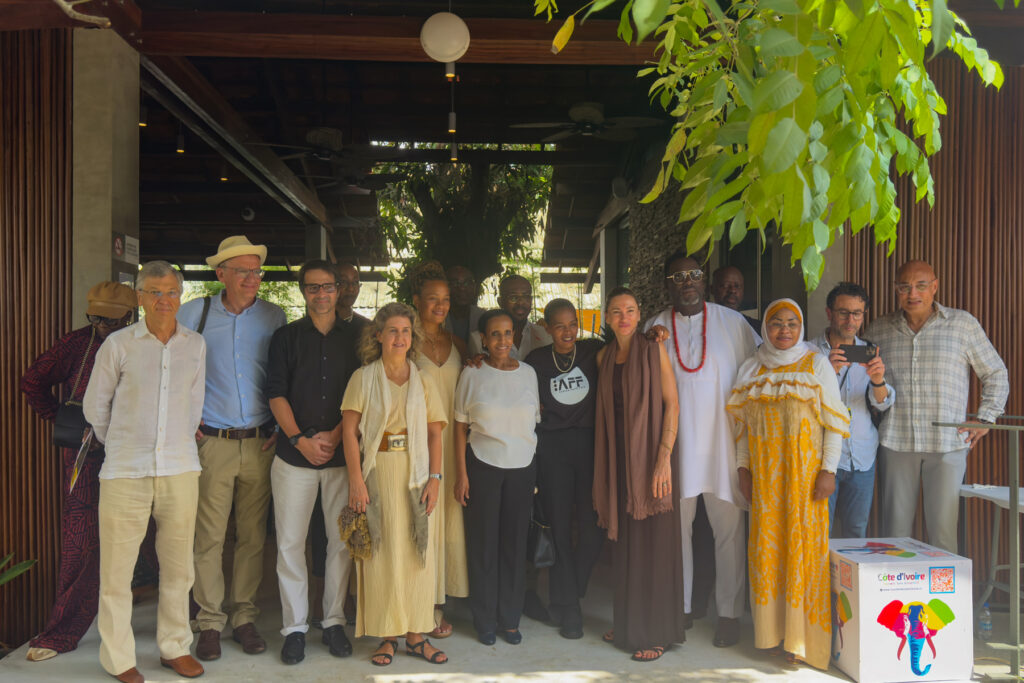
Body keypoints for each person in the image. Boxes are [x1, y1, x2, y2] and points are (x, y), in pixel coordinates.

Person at [83, 261, 207, 683]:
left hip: (179, 469)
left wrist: (173, 445)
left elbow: (194, 407)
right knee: (117, 571)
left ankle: (175, 647)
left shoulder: (195, 344)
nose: (164, 300)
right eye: (155, 292)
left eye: (171, 292)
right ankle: (118, 658)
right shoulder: (118, 344)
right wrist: (121, 444)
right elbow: (94, 408)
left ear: (180, 296)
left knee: (178, 568)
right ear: (139, 297)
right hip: (125, 472)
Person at [177, 236, 286, 661]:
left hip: (261, 442)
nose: (251, 279)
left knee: (253, 536)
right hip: (214, 443)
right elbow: (175, 369)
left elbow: (282, 375)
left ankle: (243, 617)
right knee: (209, 537)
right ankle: (208, 621)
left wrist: (280, 425)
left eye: (255, 271)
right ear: (221, 274)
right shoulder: (194, 313)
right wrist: (187, 424)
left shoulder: (274, 317)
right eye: (241, 271)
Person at [726, 299, 850, 669]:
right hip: (765, 483)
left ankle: (800, 641)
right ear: (765, 327)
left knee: (803, 555)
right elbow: (743, 430)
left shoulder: (816, 365)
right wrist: (743, 469)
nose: (784, 330)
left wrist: (829, 470)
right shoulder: (751, 367)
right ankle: (770, 635)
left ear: (801, 328)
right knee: (769, 554)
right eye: (777, 323)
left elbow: (834, 422)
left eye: (792, 323)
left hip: (806, 481)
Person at [646, 253, 758, 648]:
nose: (687, 281)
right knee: (676, 532)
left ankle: (728, 613)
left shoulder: (734, 323)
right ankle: (682, 606)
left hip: (725, 446)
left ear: (703, 280)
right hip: (675, 449)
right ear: (667, 284)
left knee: (729, 532)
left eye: (693, 274)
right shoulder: (655, 326)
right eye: (678, 276)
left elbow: (765, 367)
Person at [20, 281, 136, 662]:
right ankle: (63, 632)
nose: (101, 324)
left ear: (131, 315)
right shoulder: (76, 344)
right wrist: (60, 419)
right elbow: (32, 381)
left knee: (156, 534)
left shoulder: (146, 342)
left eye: (109, 318)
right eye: (95, 316)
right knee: (80, 540)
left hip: (138, 455)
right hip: (86, 458)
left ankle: (187, 620)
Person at [865, 260, 1008, 552]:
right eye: (904, 287)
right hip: (896, 441)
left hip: (947, 445)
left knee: (943, 533)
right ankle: (897, 596)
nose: (912, 293)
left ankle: (945, 597)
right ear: (896, 290)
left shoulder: (962, 324)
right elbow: (865, 385)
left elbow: (995, 373)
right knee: (894, 533)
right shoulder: (879, 330)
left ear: (935, 286)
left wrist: (986, 418)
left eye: (920, 285)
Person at [341, 303, 449, 667]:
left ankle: (417, 635)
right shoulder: (363, 377)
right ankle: (388, 636)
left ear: (412, 337)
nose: (399, 338)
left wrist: (435, 478)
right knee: (383, 554)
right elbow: (349, 432)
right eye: (392, 331)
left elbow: (435, 434)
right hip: (377, 470)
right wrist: (356, 480)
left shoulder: (424, 379)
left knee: (417, 555)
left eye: (406, 331)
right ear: (378, 335)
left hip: (416, 472)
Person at [266, 260, 360, 664]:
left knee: (339, 544)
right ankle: (295, 628)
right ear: (303, 291)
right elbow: (275, 393)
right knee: (290, 544)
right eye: (312, 288)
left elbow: (361, 395)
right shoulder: (285, 337)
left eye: (327, 287)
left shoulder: (358, 337)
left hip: (341, 457)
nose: (320, 294)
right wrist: (299, 440)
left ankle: (334, 622)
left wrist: (336, 435)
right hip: (293, 457)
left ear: (339, 289)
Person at [593, 287, 685, 662]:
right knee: (627, 543)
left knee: (654, 543)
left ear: (640, 313)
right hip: (619, 460)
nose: (624, 317)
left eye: (630, 310)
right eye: (616, 311)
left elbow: (672, 403)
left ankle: (656, 631)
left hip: (651, 457)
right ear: (607, 318)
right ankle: (631, 621)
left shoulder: (653, 349)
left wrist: (664, 457)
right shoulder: (603, 356)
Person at [454, 309, 541, 646]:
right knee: (483, 547)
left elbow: (534, 420)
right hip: (482, 465)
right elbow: (460, 427)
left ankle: (510, 620)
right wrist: (461, 475)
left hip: (522, 468)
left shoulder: (529, 374)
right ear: (483, 340)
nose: (503, 340)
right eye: (495, 334)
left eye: (508, 334)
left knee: (514, 547)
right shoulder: (472, 374)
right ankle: (485, 620)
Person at [524, 299, 604, 640]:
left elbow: (630, 350)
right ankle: (569, 609)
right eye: (560, 325)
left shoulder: (594, 351)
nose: (568, 331)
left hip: (588, 447)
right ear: (546, 327)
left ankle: (573, 588)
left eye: (573, 323)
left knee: (593, 527)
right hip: (552, 450)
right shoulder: (536, 361)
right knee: (557, 529)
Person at [409, 262, 469, 639]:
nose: (440, 305)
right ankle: (419, 604)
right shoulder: (404, 339)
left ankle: (438, 601)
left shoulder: (457, 342)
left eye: (445, 300)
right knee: (421, 523)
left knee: (448, 522)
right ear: (416, 301)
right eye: (432, 299)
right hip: (418, 447)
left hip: (453, 445)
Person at [810, 282, 895, 538]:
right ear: (829, 313)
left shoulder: (869, 351)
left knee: (856, 532)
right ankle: (820, 581)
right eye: (843, 312)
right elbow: (802, 404)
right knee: (818, 532)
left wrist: (878, 380)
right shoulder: (809, 352)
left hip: (862, 456)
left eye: (857, 313)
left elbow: (882, 403)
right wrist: (828, 372)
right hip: (821, 459)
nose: (851, 320)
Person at [468, 274, 551, 359]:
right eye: (513, 298)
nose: (520, 303)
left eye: (526, 297)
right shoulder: (478, 340)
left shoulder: (544, 335)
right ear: (500, 302)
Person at [711, 265, 760, 332]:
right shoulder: (700, 326)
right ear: (712, 289)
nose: (732, 290)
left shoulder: (756, 328)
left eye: (737, 286)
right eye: (725, 285)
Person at [444, 265, 484, 346]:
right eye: (455, 283)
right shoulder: (437, 318)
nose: (462, 288)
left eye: (467, 283)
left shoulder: (483, 317)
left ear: (475, 287)